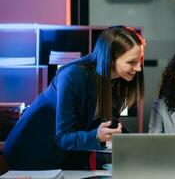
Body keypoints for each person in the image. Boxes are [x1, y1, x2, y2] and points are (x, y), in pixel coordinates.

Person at [4, 25, 145, 170]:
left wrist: (138, 144)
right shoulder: (73, 76)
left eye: (139, 60)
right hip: (32, 151)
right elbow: (64, 137)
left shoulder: (117, 83)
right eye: (131, 62)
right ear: (109, 58)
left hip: (65, 156)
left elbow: (107, 123)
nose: (139, 68)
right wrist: (96, 136)